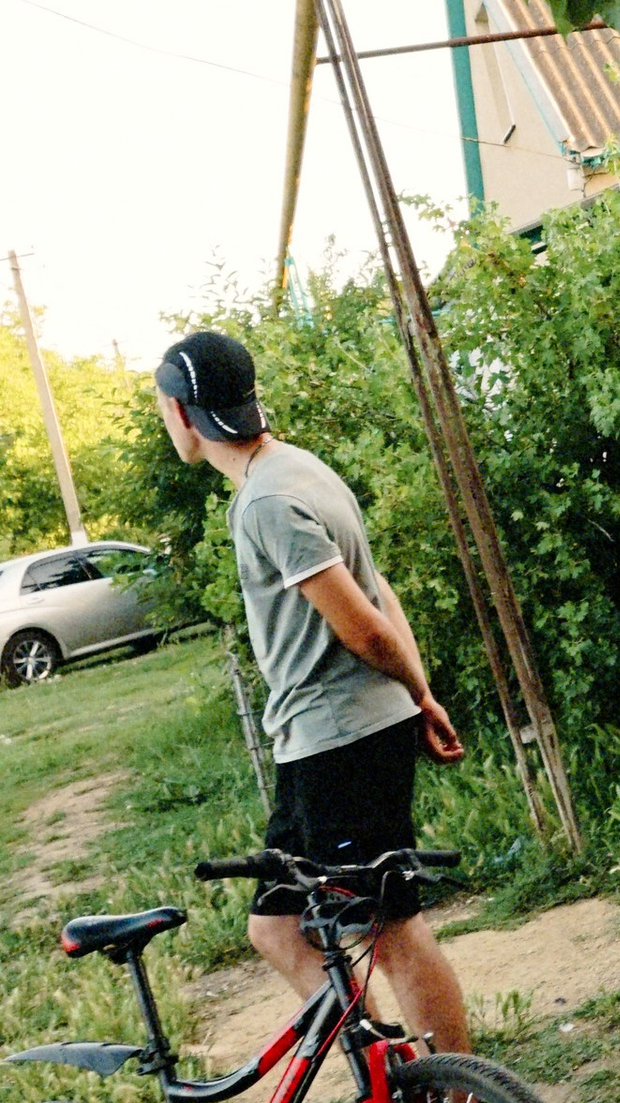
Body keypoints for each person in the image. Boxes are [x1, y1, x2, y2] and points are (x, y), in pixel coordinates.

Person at [153, 327, 473, 1062]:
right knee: (276, 928)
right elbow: (377, 586)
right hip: (322, 740)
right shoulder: (298, 469)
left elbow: (362, 625)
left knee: (389, 930)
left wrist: (419, 692)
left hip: (341, 742)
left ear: (180, 412)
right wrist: (419, 697)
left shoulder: (267, 500)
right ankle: (392, 1096)